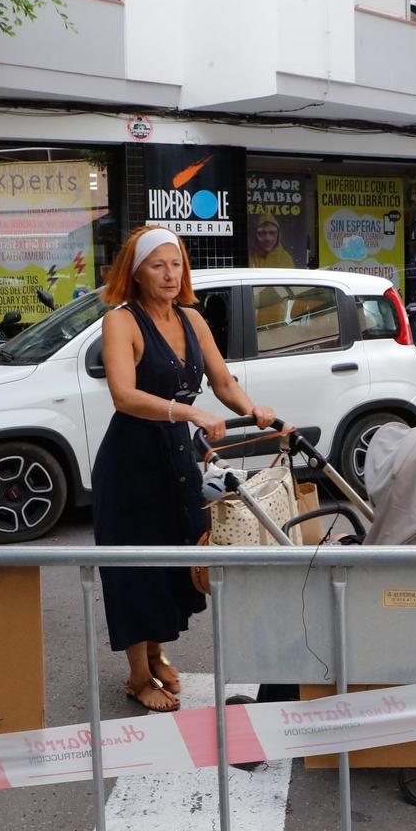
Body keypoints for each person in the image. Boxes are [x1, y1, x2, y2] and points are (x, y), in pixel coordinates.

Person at [93, 226, 276, 711]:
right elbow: (124, 395)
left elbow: (222, 381)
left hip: (176, 456)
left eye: (176, 264)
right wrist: (190, 412)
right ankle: (136, 676)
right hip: (131, 460)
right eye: (158, 264)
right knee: (134, 566)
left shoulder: (192, 318)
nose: (170, 274)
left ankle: (155, 654)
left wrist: (256, 409)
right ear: (136, 272)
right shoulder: (121, 321)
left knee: (176, 558)